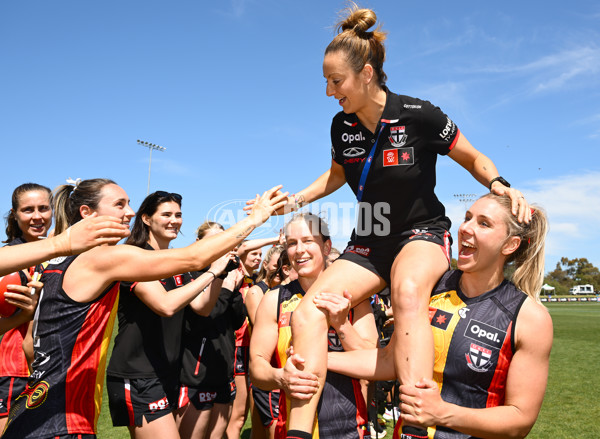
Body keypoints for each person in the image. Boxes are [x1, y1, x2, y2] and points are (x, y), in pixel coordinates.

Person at [248, 4, 532, 438]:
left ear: (366, 73)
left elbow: (473, 156)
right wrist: (295, 199)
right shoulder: (341, 126)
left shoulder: (420, 114)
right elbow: (338, 174)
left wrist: (499, 184)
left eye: (335, 80)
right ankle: (301, 433)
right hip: (371, 238)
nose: (328, 91)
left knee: (408, 289)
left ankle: (417, 422)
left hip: (421, 233)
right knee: (307, 315)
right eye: (325, 81)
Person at [1, 178, 287, 439]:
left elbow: (30, 347)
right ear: (87, 213)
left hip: (36, 407)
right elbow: (193, 257)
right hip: (62, 420)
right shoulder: (102, 258)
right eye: (119, 205)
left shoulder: (57, 262)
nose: (130, 212)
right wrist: (255, 218)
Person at [328, 194, 552, 439]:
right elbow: (391, 360)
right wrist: (317, 358)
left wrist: (442, 413)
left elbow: (520, 419)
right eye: (468, 218)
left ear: (510, 245)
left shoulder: (528, 317)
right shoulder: (428, 287)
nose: (465, 228)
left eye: (483, 223)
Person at [105, 192, 235, 438]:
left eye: (178, 215)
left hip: (168, 372)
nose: (174, 220)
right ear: (146, 218)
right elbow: (165, 305)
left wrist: (220, 273)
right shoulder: (135, 256)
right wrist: (210, 273)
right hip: (138, 373)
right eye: (166, 214)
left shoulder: (174, 261)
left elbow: (202, 307)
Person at [249, 213, 378, 439]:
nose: (299, 250)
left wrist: (342, 325)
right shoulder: (274, 299)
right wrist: (281, 377)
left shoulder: (353, 296)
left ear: (326, 247)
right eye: (292, 243)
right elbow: (257, 367)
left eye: (308, 241)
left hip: (348, 430)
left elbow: (374, 363)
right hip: (293, 428)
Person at [176, 221, 246, 439]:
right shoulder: (192, 275)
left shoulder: (228, 273)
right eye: (212, 241)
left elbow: (236, 320)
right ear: (198, 243)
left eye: (222, 241)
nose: (218, 247)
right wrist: (225, 287)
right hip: (197, 375)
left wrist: (233, 290)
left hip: (223, 372)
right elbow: (207, 313)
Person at [0, 183, 52, 434]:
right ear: (15, 214)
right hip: (14, 369)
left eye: (43, 208)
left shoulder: (59, 256)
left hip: (53, 368)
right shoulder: (7, 259)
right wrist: (25, 314)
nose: (37, 216)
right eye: (28, 210)